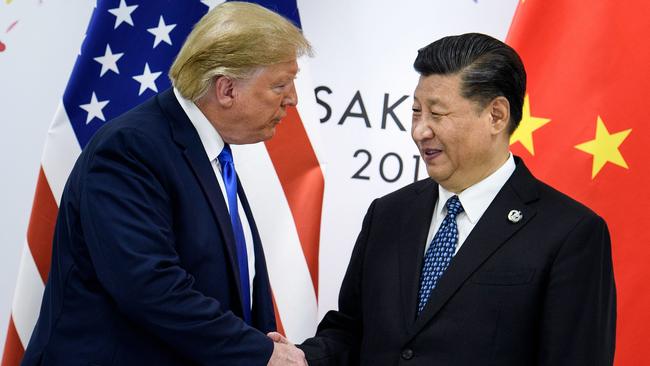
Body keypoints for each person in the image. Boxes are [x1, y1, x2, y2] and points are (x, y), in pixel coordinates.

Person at [286, 33, 616, 365]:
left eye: (437, 114)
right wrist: (302, 359)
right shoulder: (388, 214)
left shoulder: (570, 234)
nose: (420, 131)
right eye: (416, 112)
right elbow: (351, 332)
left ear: (496, 116)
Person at [21, 2, 311, 365]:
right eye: (280, 84)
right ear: (226, 90)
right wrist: (258, 353)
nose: (292, 99)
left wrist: (258, 339)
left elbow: (221, 277)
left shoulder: (210, 152)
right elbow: (149, 287)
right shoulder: (130, 149)